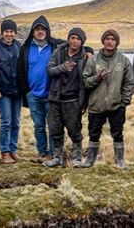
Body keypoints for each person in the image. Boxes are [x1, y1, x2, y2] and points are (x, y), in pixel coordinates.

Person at [17, 15, 92, 162]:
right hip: (33, 94)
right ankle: (42, 152)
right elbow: (20, 70)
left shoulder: (54, 45)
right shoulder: (26, 48)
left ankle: (53, 154)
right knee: (38, 126)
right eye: (37, 29)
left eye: (43, 29)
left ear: (48, 31)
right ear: (33, 32)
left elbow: (75, 44)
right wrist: (26, 91)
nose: (40, 32)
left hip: (51, 94)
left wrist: (89, 50)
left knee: (53, 126)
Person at [82, 29, 134, 168]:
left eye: (113, 39)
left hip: (116, 105)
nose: (110, 41)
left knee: (117, 133)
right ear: (103, 41)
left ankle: (120, 161)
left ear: (117, 42)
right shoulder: (93, 60)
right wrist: (97, 78)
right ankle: (90, 160)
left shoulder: (123, 60)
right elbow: (85, 81)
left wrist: (124, 101)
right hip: (96, 104)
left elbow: (129, 82)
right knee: (94, 133)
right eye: (107, 39)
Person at [44, 28, 91, 168]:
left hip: (74, 101)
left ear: (82, 41)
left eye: (78, 38)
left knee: (75, 130)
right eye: (72, 38)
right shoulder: (58, 52)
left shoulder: (85, 57)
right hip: (55, 99)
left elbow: (88, 81)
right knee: (55, 129)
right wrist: (63, 67)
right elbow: (50, 70)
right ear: (68, 39)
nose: (74, 41)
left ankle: (76, 158)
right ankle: (57, 157)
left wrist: (84, 103)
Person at [0, 19, 22, 164]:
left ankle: (13, 150)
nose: (9, 34)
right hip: (2, 91)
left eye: (11, 31)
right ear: (2, 33)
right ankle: (5, 152)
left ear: (15, 32)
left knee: (16, 122)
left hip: (17, 91)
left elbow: (23, 67)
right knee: (6, 121)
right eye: (6, 31)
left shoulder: (18, 46)